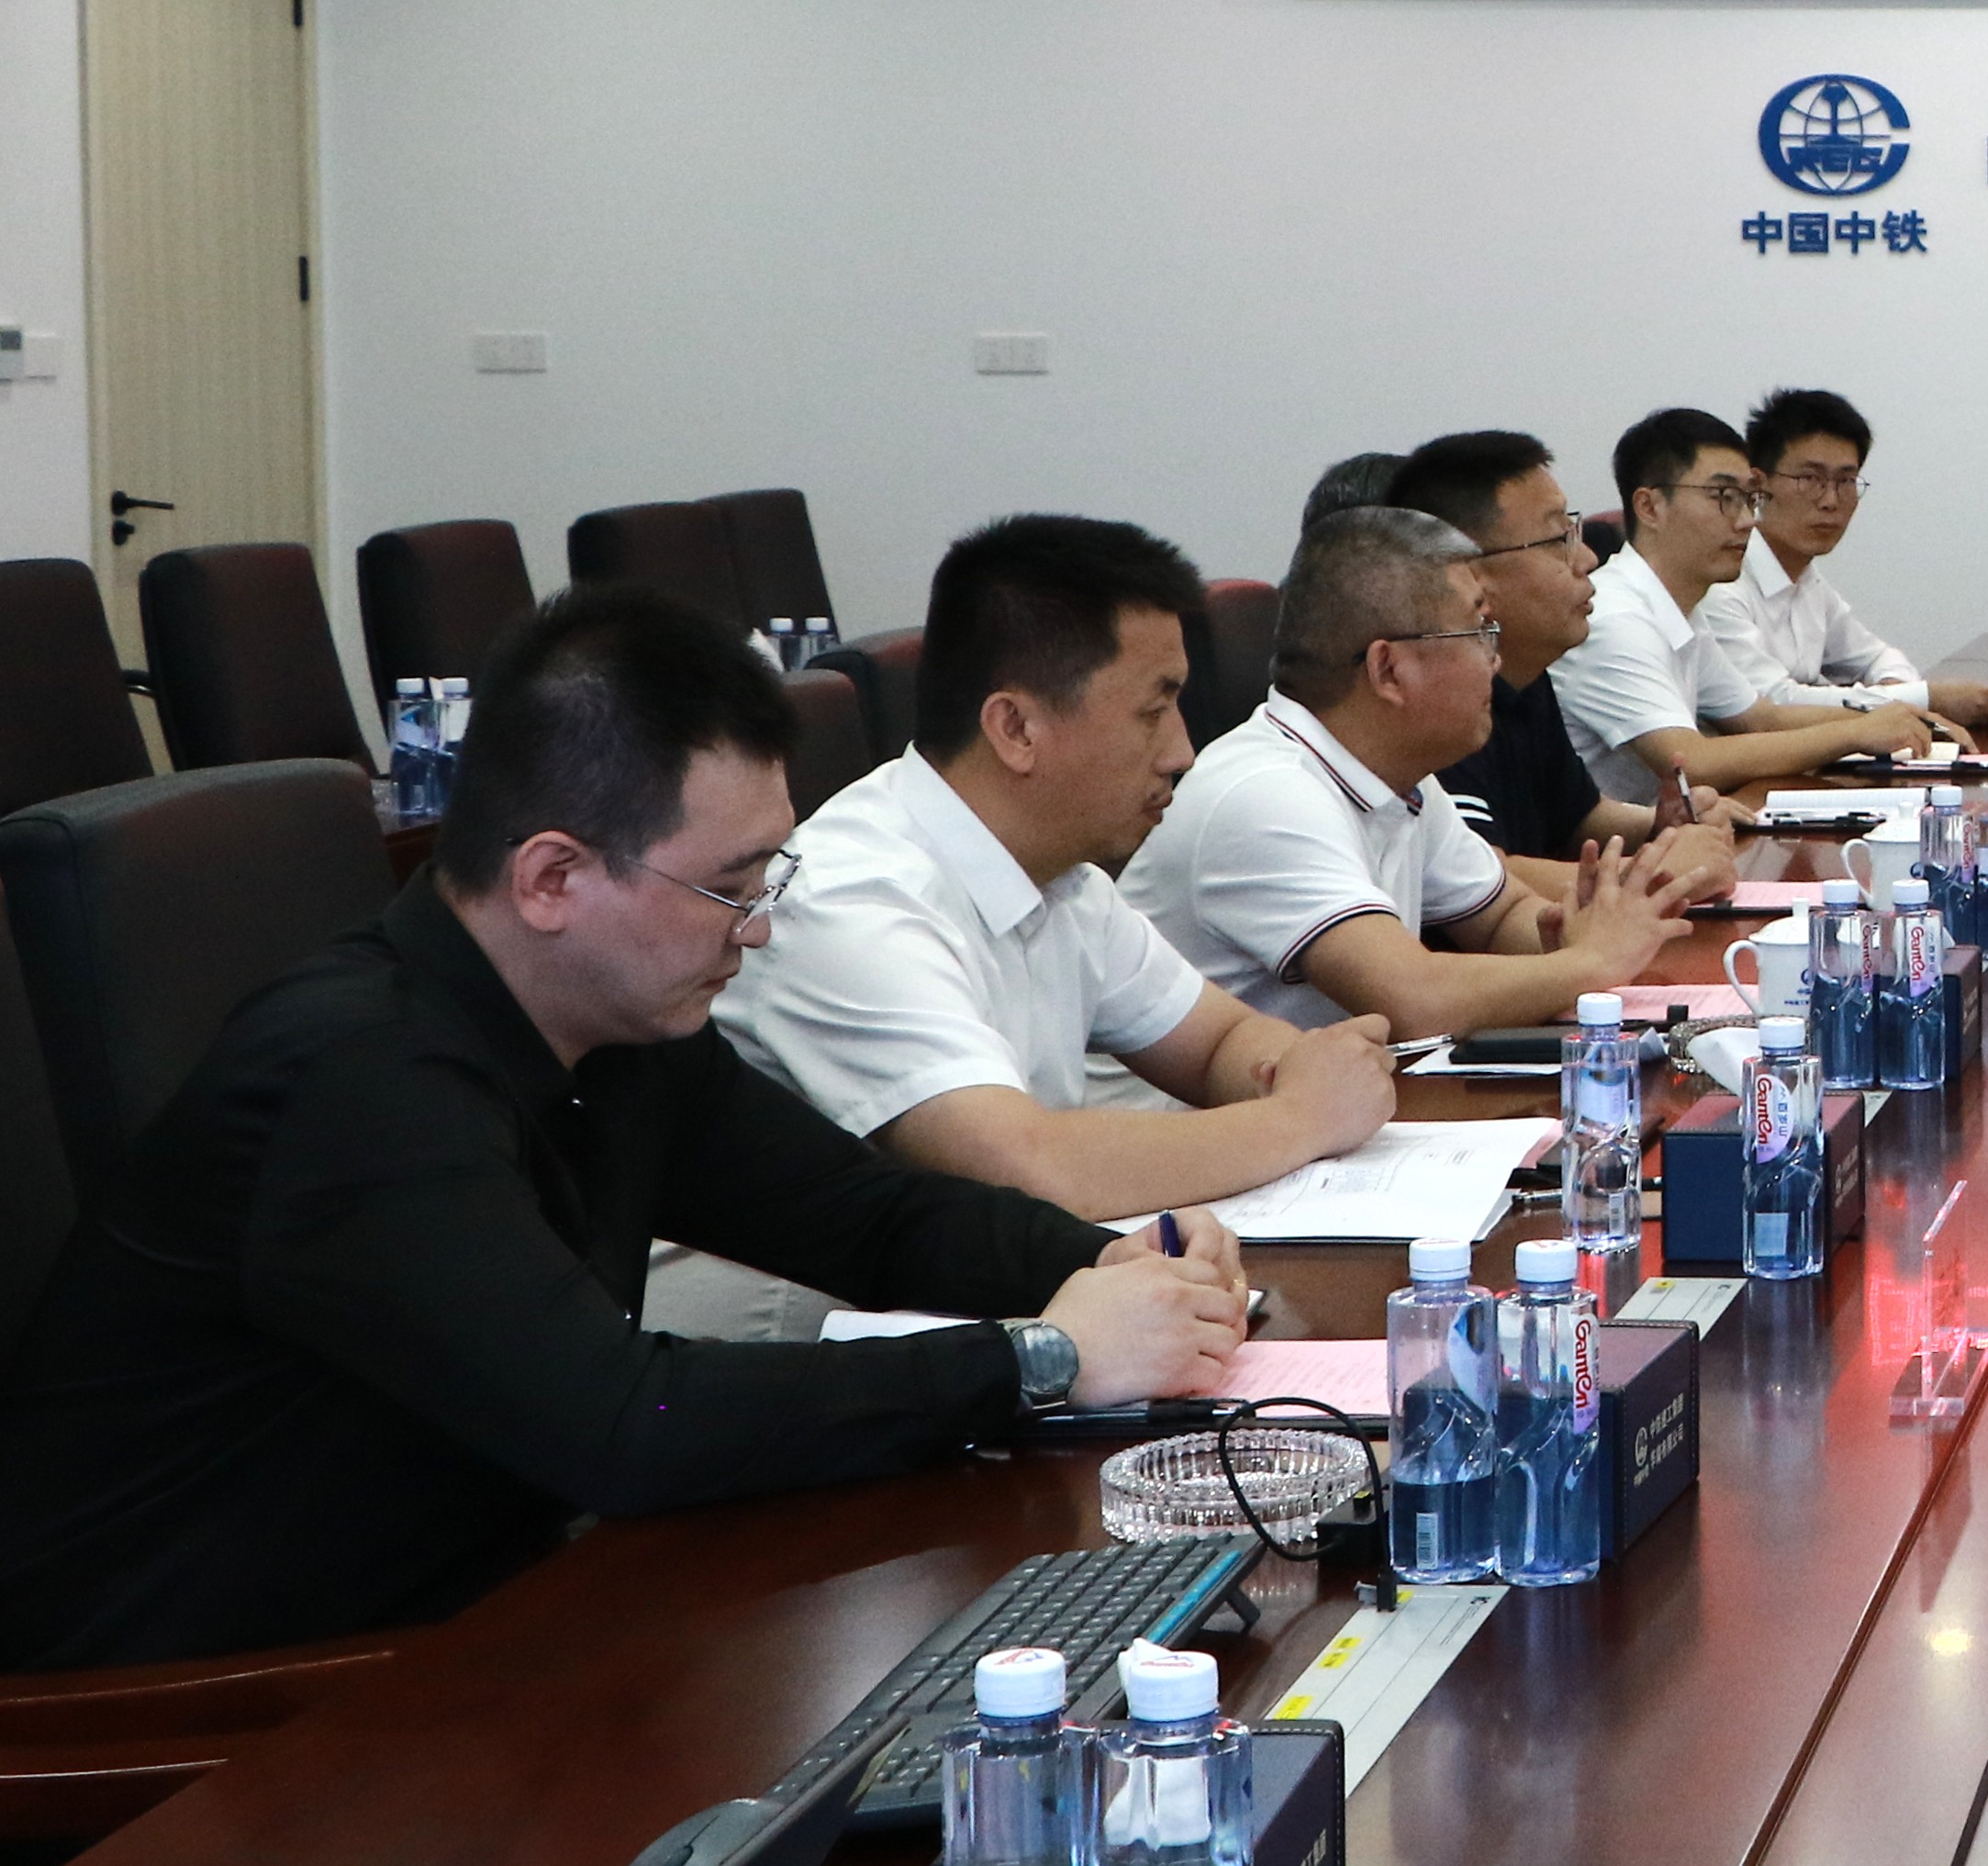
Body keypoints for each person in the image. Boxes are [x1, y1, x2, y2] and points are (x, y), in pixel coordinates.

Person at [0, 587, 1249, 1671]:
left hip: (481, 1608)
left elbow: (865, 1217)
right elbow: (624, 1423)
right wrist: (1041, 1356)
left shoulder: (617, 1025)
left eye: (771, 877)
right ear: (552, 878)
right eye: (729, 885)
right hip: (220, 1701)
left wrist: (1103, 1263)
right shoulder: (357, 1083)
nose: (758, 926)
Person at [717, 515, 1401, 1220]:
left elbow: (1217, 1043)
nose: (1182, 752)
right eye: (1153, 710)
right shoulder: (849, 902)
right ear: (1016, 728)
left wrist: (1302, 1068)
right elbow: (1022, 1169)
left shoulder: (1063, 875)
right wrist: (1302, 1117)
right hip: (812, 1294)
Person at [1124, 507, 1693, 1037]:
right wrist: (1590, 962)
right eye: (1479, 630)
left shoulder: (1398, 774)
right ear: (1389, 669)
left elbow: (1502, 917)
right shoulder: (1267, 795)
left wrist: (1582, 933)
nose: (1494, 658)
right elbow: (1415, 999)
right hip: (1201, 1112)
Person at [1384, 427, 1748, 899]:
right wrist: (1651, 870)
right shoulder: (1434, 694)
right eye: (1559, 539)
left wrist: (1661, 826)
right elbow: (1476, 875)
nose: (1589, 558)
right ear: (1468, 572)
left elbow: (1579, 817)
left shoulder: (1524, 671)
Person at [1550, 408, 1944, 803]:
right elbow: (1689, 761)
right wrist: (1855, 732)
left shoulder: (1682, 608)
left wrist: (1892, 716)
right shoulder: (1615, 619)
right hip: (1613, 840)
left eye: (1748, 499)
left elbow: (1760, 717)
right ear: (1650, 507)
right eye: (1724, 498)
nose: (1746, 521)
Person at [1702, 386, 1988, 740]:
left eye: (1846, 481)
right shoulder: (1720, 585)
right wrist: (1923, 698)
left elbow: (1877, 658)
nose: (1830, 500)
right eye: (1810, 479)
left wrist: (1896, 693)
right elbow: (1771, 704)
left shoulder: (1806, 580)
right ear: (1758, 484)